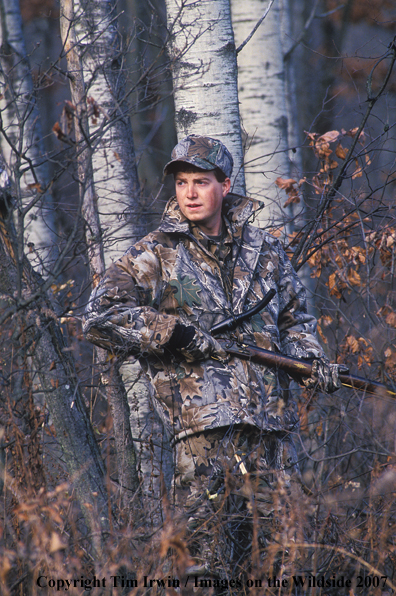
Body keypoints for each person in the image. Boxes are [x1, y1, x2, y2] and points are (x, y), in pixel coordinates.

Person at [83, 134, 344, 585]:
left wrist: (310, 360)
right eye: (181, 182)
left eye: (201, 181)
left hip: (271, 430)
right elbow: (98, 316)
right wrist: (172, 332)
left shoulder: (266, 249)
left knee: (285, 559)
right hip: (202, 433)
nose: (189, 193)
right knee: (201, 562)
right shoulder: (155, 253)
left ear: (225, 184)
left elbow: (296, 320)